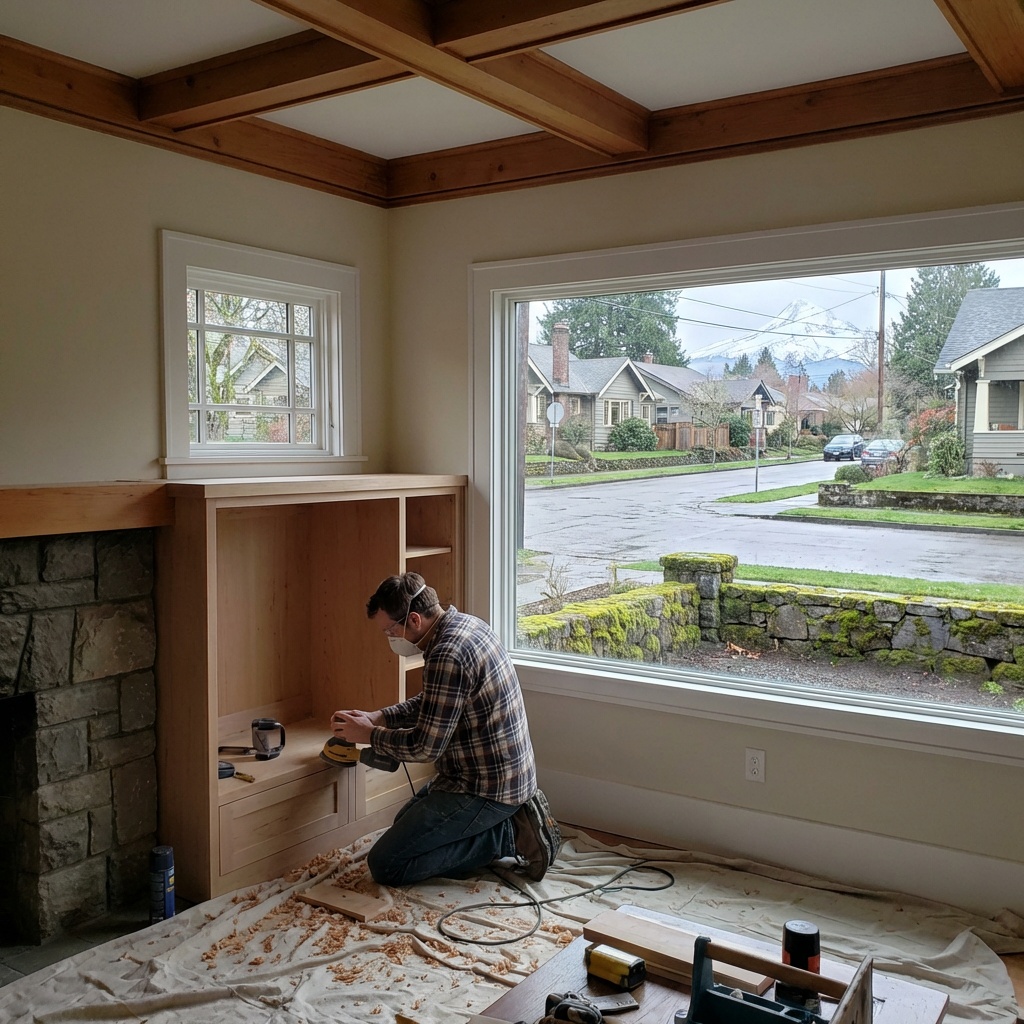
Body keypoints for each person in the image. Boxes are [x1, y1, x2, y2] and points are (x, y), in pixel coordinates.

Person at [331, 572, 561, 887]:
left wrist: (368, 736)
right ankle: (495, 827)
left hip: (486, 789)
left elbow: (425, 747)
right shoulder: (468, 625)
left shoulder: (447, 654)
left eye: (390, 630)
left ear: (414, 620)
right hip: (497, 777)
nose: (390, 637)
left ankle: (507, 836)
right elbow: (436, 701)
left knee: (387, 864)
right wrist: (380, 717)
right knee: (404, 826)